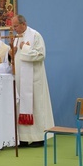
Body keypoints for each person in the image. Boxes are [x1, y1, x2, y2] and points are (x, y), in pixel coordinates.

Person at [11, 15, 54, 147]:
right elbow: (14, 59)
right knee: (20, 106)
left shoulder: (35, 35)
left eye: (16, 26)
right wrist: (12, 52)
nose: (14, 29)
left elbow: (41, 55)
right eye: (13, 26)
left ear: (24, 24)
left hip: (34, 80)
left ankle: (39, 137)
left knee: (36, 106)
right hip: (19, 79)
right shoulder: (16, 39)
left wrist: (25, 48)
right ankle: (23, 138)